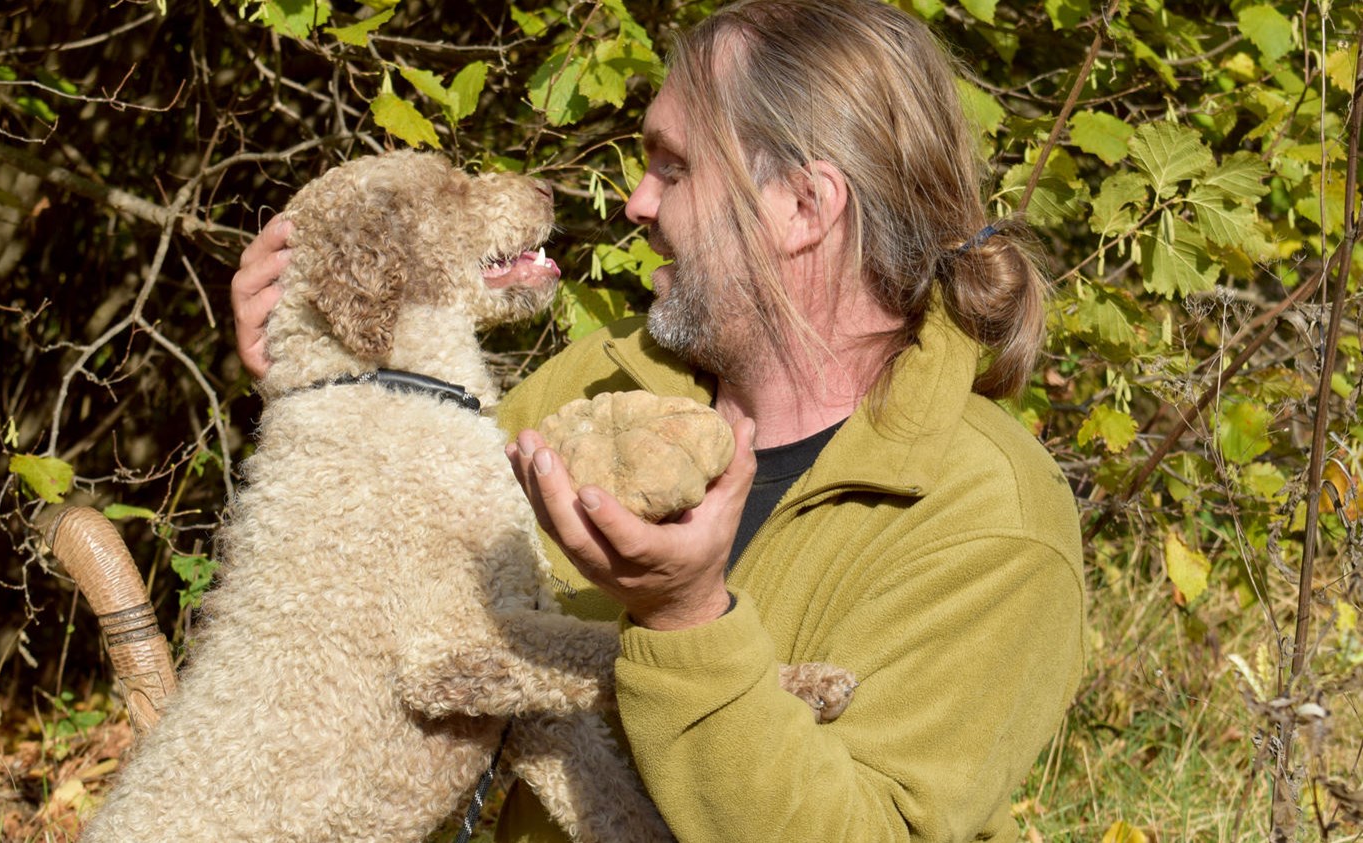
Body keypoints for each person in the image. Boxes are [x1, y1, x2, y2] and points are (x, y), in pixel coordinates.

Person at [231, 1, 1085, 840]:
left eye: (672, 168)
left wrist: (686, 620)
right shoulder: (603, 377)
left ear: (802, 206)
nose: (637, 203)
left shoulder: (988, 522)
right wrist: (329, 379)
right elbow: (376, 606)